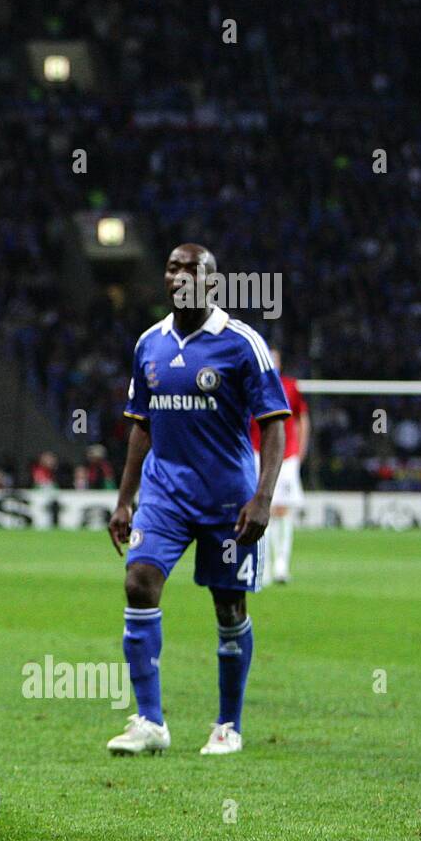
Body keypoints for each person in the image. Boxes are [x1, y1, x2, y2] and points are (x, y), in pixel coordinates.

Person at [107, 243, 289, 757]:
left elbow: (274, 423)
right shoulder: (150, 344)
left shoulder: (241, 343)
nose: (182, 275)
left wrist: (263, 498)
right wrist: (125, 500)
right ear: (164, 279)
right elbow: (142, 427)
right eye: (172, 267)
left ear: (214, 281)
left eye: (194, 268)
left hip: (227, 499)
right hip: (165, 493)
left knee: (228, 606)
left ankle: (227, 724)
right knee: (139, 584)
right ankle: (150, 721)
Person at [251, 349, 309, 583]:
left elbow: (301, 419)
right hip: (257, 454)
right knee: (260, 507)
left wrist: (300, 450)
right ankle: (262, 566)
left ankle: (281, 564)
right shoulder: (251, 386)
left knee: (282, 509)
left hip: (286, 456)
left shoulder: (290, 387)